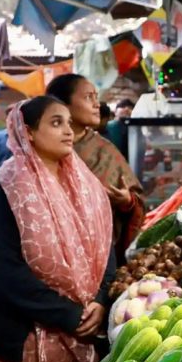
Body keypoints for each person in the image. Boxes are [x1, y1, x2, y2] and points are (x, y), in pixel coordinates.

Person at [0, 97, 115, 362]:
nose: (68, 131)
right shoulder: (4, 190)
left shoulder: (85, 186)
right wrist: (69, 314)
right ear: (28, 132)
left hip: (83, 337)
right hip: (26, 343)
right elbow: (1, 272)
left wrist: (100, 300)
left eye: (68, 123)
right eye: (56, 123)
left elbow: (104, 245)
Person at [46, 74, 145, 258]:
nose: (97, 104)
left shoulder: (105, 150)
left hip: (100, 256)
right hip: (51, 255)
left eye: (96, 97)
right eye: (88, 97)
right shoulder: (42, 151)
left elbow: (136, 201)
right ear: (62, 105)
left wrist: (127, 202)